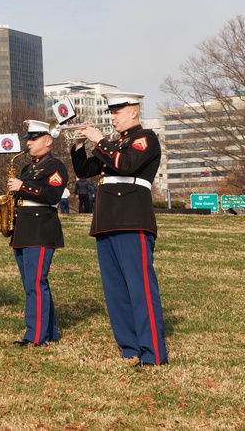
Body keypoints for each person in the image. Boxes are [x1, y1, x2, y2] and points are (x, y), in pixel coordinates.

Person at [72, 92, 168, 366]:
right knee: (115, 291)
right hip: (107, 221)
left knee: (140, 289)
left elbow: (126, 165)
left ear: (133, 112)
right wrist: (79, 145)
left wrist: (99, 140)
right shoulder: (115, 144)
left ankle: (153, 354)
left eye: (117, 112)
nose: (112, 117)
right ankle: (130, 349)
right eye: (111, 112)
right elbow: (84, 171)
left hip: (132, 218)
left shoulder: (145, 137)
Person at [8, 120, 66, 347]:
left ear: (48, 141)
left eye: (34, 139)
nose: (29, 143)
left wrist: (22, 187)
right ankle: (50, 332)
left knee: (35, 283)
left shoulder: (55, 166)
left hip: (41, 228)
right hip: (24, 229)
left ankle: (35, 336)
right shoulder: (27, 168)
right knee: (31, 284)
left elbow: (52, 195)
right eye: (28, 139)